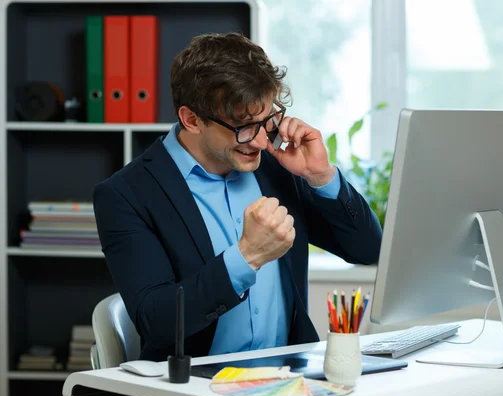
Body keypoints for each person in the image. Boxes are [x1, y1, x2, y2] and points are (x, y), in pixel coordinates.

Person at [93, 32, 383, 362]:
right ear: (192, 119)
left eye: (267, 120)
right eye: (244, 126)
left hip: (289, 383)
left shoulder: (278, 167)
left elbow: (367, 249)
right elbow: (155, 321)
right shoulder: (126, 194)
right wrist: (246, 257)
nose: (261, 141)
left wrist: (321, 176)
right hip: (198, 394)